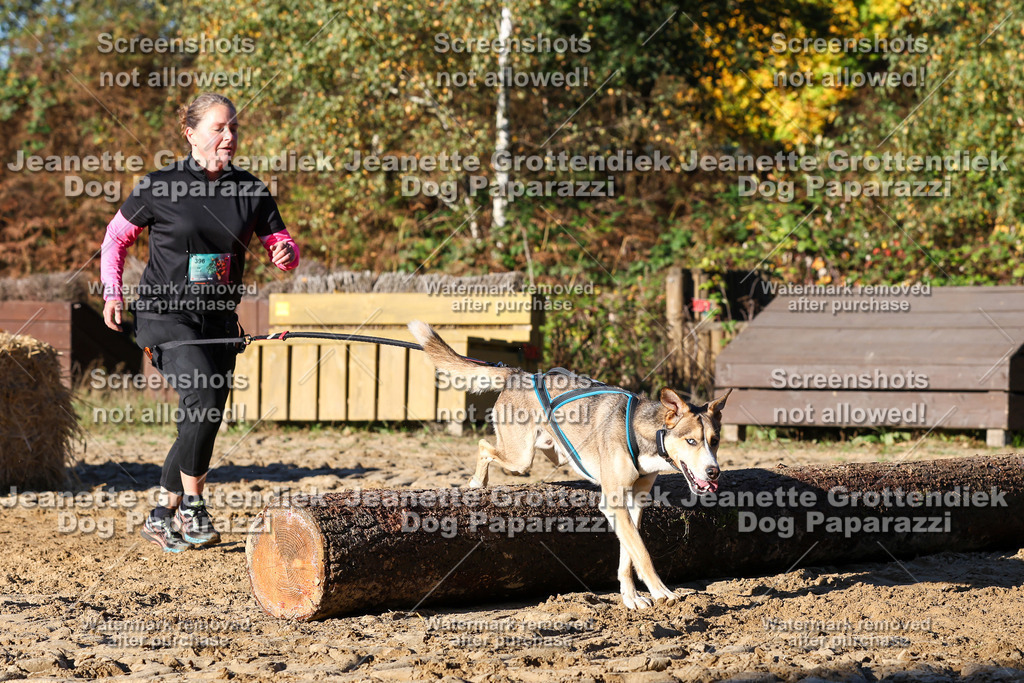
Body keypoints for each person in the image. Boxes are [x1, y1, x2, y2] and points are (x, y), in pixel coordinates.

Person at [100, 92, 299, 551]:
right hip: (164, 315)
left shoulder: (250, 190)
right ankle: (193, 505)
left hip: (219, 321)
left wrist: (286, 253)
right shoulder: (160, 186)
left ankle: (161, 515)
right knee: (204, 396)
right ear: (190, 134)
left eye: (234, 128)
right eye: (218, 128)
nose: (229, 136)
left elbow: (282, 246)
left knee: (203, 415)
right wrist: (113, 291)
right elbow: (115, 238)